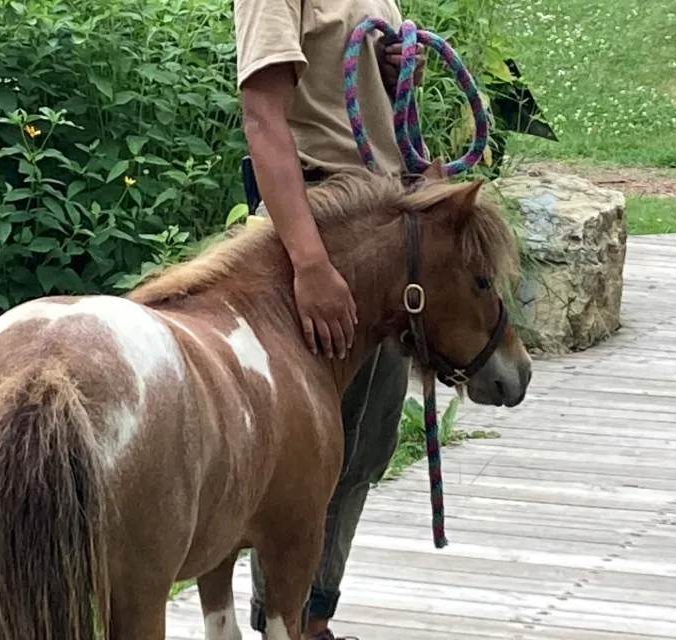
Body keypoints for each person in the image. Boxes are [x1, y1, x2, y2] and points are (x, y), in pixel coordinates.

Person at [234, 1, 427, 638]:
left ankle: (313, 614)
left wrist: (400, 69)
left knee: (363, 447)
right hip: (320, 228)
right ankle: (283, 623)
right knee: (300, 457)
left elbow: (365, 94)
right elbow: (263, 115)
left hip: (381, 231)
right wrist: (310, 265)